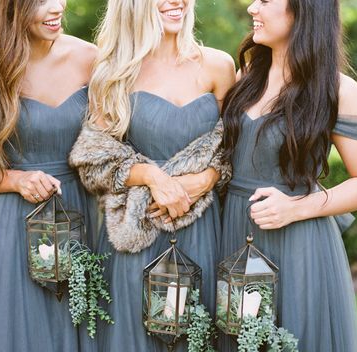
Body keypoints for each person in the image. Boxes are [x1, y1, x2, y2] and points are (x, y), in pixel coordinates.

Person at [219, 0, 357, 351]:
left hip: (297, 246)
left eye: (264, 1)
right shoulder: (244, 78)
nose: (251, 8)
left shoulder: (341, 92)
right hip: (231, 234)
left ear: (303, 10)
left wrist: (297, 208)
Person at [69, 0, 235, 350]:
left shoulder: (220, 66)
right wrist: (152, 177)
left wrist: (206, 178)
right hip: (139, 228)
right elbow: (92, 162)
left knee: (198, 332)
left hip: (203, 228)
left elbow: (232, 148)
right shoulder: (113, 71)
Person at [0, 0, 99, 351]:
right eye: (40, 2)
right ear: (9, 9)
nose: (57, 7)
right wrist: (15, 180)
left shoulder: (91, 59)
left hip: (79, 215)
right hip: (11, 224)